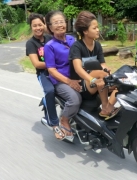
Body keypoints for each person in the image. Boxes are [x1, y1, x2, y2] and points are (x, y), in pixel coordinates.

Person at [69, 11, 120, 120]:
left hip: (97, 81)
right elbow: (78, 69)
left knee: (121, 83)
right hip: (83, 84)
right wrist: (93, 80)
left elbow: (102, 64)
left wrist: (107, 71)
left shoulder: (97, 45)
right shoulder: (77, 47)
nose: (98, 30)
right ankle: (105, 107)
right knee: (100, 74)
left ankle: (109, 106)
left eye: (97, 27)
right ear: (85, 31)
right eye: (94, 28)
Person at [44, 10, 82, 142]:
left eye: (62, 21)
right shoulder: (49, 46)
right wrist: (69, 82)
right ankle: (64, 120)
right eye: (56, 23)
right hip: (61, 81)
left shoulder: (73, 39)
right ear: (50, 27)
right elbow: (52, 71)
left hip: (78, 77)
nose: (60, 25)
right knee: (74, 99)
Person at [25, 13, 64, 140]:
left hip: (58, 70)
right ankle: (54, 124)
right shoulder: (31, 43)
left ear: (45, 25)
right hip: (44, 73)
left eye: (40, 25)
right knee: (50, 91)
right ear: (31, 27)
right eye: (34, 26)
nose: (38, 28)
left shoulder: (50, 38)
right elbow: (36, 63)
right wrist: (53, 64)